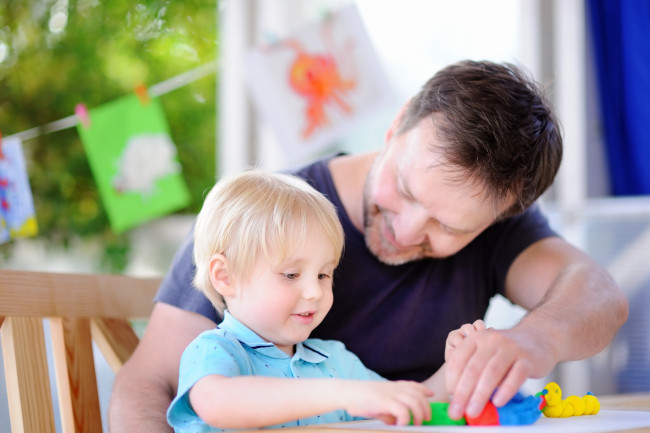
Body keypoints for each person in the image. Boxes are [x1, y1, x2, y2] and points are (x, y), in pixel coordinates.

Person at [109, 60, 628, 432]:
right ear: (397, 123)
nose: (406, 231)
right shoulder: (263, 221)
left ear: (496, 218)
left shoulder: (332, 359)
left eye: (447, 227)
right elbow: (150, 385)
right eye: (403, 190)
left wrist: (534, 340)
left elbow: (599, 293)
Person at [166, 170, 441, 431]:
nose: (315, 291)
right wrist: (344, 393)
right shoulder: (215, 351)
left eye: (323, 274)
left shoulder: (335, 362)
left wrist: (455, 372)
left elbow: (405, 410)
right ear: (225, 276)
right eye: (291, 274)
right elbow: (217, 402)